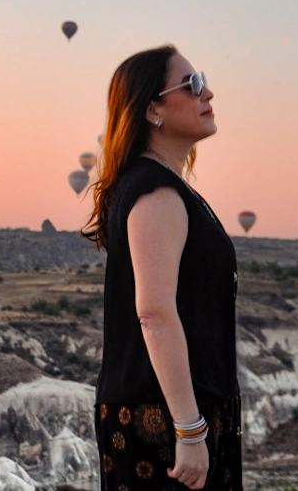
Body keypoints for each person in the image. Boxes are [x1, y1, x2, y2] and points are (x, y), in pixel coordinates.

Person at [82, 45, 242, 490]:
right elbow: (153, 313)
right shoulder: (157, 194)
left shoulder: (163, 187)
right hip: (163, 419)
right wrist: (189, 429)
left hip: (181, 409)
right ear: (152, 109)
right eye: (191, 84)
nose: (207, 92)